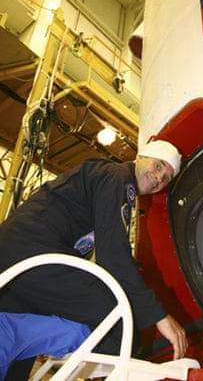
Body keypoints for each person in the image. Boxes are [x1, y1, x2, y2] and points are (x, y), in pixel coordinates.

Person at [0, 139, 187, 379]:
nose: (160, 178)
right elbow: (114, 257)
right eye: (159, 165)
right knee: (119, 315)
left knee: (18, 349)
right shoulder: (118, 177)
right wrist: (158, 315)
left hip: (16, 256)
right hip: (32, 251)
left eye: (167, 178)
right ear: (140, 157)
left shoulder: (102, 179)